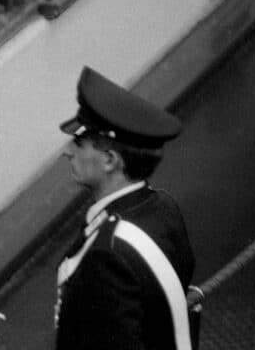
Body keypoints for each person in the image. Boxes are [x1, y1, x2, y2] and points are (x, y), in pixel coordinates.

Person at [54, 67, 196, 350]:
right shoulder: (164, 208)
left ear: (109, 160)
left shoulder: (107, 258)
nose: (68, 151)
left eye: (80, 142)